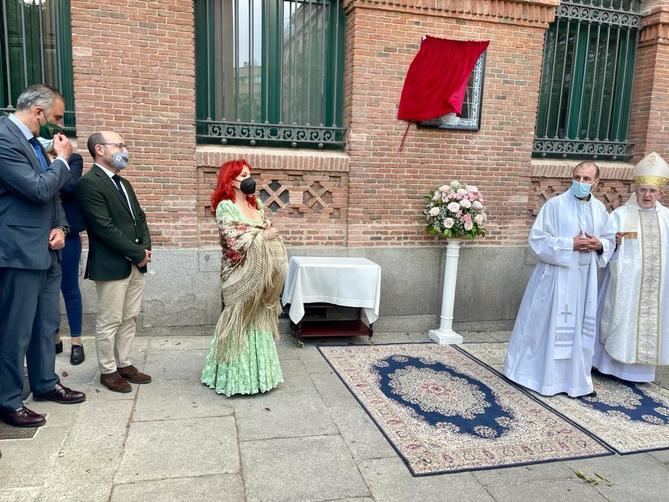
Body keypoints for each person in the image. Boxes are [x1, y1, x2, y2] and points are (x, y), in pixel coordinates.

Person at [0, 84, 86, 428]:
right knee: (15, 330)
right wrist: (63, 160)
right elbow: (37, 189)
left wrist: (62, 229)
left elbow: (53, 200)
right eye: (56, 117)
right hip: (19, 252)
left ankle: (45, 383)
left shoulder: (35, 143)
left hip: (48, 249)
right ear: (37, 112)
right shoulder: (5, 139)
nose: (58, 125)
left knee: (45, 325)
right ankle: (7, 400)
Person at [504, 161, 614, 397]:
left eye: (586, 179)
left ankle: (576, 381)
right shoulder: (555, 205)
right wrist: (569, 244)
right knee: (545, 326)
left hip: (584, 281)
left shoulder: (600, 210)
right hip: (555, 278)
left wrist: (599, 245)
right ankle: (532, 375)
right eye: (577, 177)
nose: (581, 183)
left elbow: (609, 240)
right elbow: (537, 240)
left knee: (579, 330)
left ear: (596, 183)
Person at [201, 159, 288, 396]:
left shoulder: (257, 204)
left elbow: (266, 226)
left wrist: (266, 233)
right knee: (238, 319)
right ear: (230, 181)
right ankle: (234, 378)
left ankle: (262, 377)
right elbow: (233, 240)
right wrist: (264, 235)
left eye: (250, 174)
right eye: (243, 175)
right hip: (238, 273)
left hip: (262, 274)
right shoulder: (225, 207)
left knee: (258, 318)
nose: (249, 179)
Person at [76, 131, 152, 393]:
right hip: (111, 264)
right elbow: (103, 228)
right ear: (100, 149)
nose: (125, 149)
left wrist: (145, 249)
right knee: (110, 320)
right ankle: (108, 371)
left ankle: (125, 363)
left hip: (135, 262)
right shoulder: (90, 183)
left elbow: (139, 219)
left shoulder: (125, 184)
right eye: (119, 145)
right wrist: (136, 252)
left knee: (129, 317)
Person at [594, 152, 669, 382]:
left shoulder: (667, 218)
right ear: (635, 190)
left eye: (652, 190)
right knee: (618, 319)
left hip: (655, 288)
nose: (647, 195)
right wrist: (613, 243)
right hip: (623, 283)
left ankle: (640, 374)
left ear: (661, 192)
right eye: (642, 190)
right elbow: (605, 245)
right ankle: (606, 366)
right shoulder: (620, 214)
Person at [39, 132, 86, 365]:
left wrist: (59, 159)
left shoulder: (73, 159)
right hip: (40, 234)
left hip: (68, 234)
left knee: (70, 288)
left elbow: (69, 187)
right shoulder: (32, 157)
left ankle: (77, 341)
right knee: (47, 290)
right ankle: (55, 337)